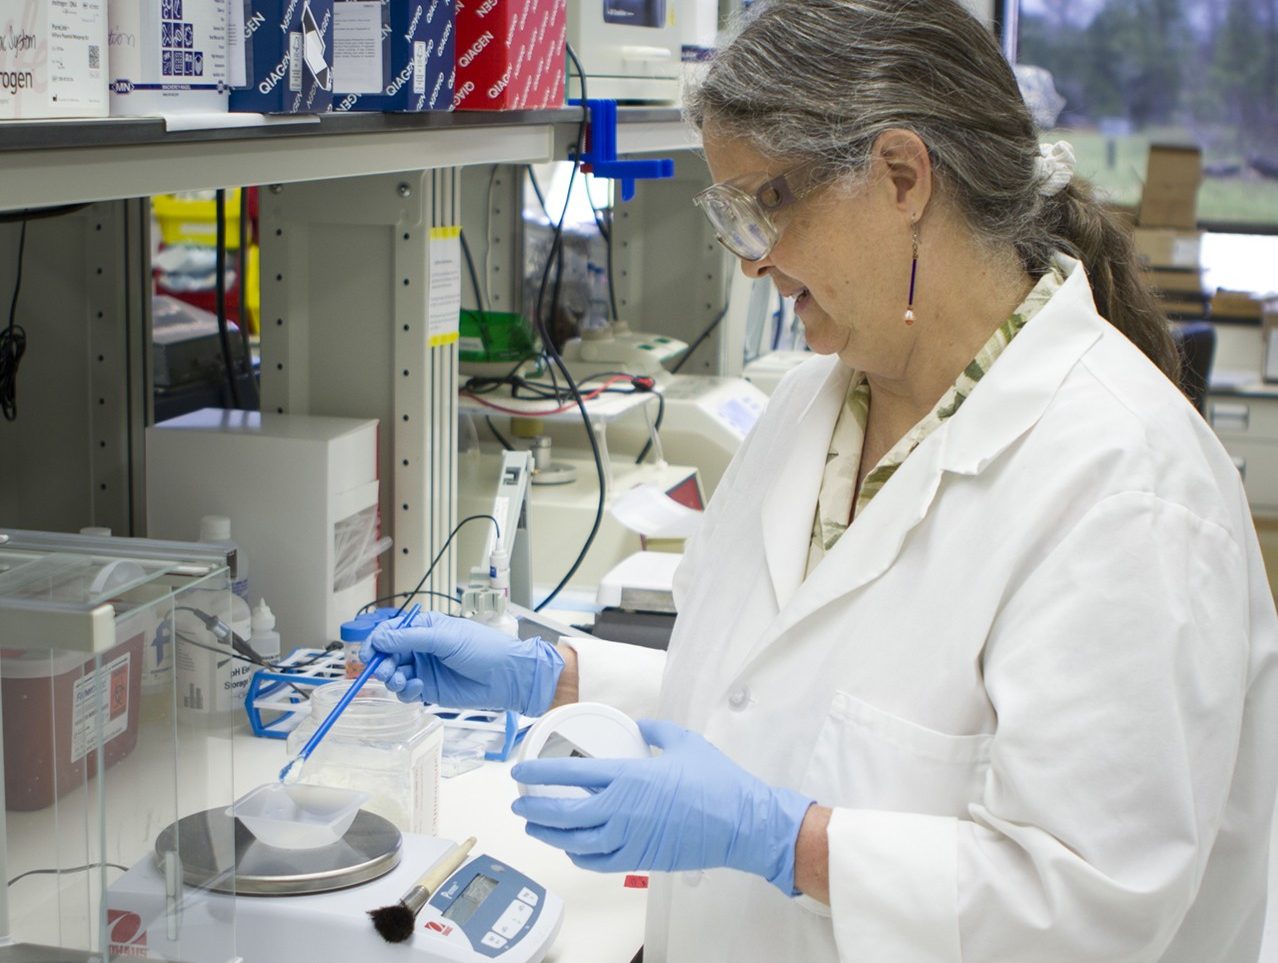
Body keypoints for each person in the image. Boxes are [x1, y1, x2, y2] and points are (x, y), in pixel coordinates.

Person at [364, 0, 1278, 959]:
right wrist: (555, 675)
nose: (753, 261)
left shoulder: (1129, 486)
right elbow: (769, 702)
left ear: (902, 177)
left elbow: (1085, 910)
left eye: (766, 203)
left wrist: (783, 841)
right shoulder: (813, 402)